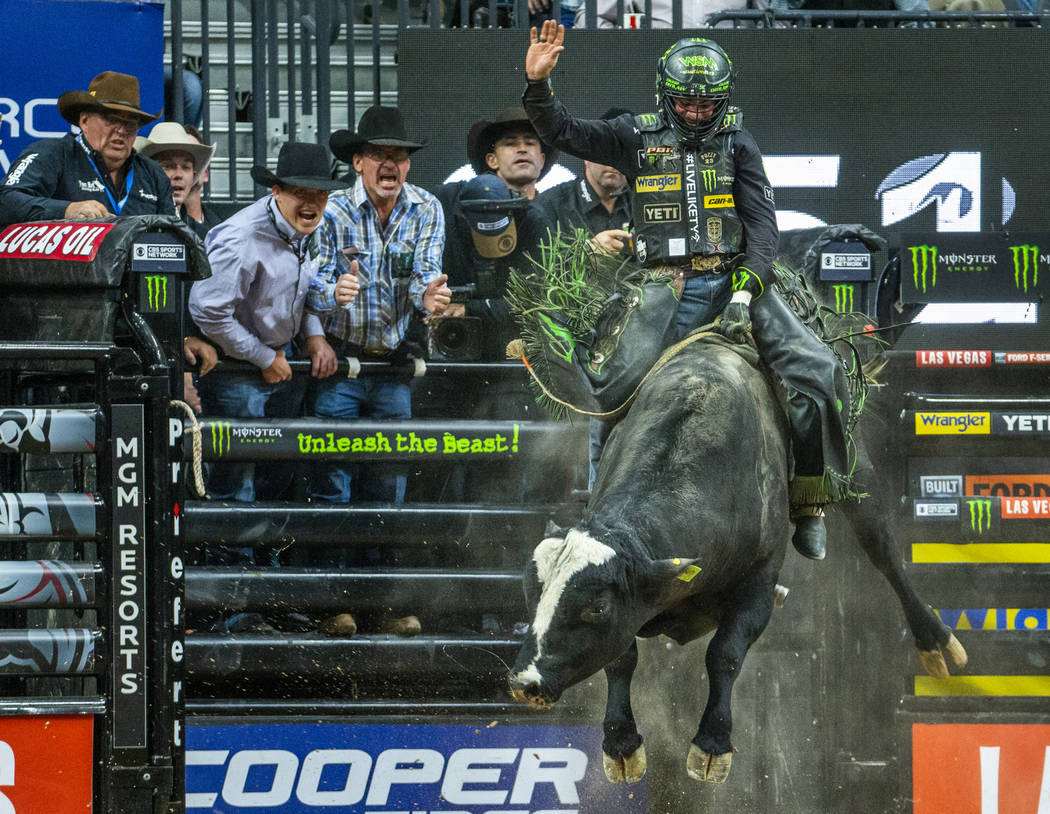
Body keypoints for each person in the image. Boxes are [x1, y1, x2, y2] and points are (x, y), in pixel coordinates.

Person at [523, 24, 856, 560]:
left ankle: (808, 502)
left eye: (708, 104)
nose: (698, 112)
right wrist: (538, 86)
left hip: (736, 281)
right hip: (660, 287)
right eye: (687, 103)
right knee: (609, 387)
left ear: (724, 99)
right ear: (665, 95)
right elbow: (561, 130)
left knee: (817, 370)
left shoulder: (740, 142)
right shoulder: (633, 133)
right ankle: (596, 506)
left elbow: (763, 228)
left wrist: (747, 287)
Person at [188, 142, 343, 632]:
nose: (311, 202)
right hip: (242, 372)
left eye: (318, 192)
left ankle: (266, 596)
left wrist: (313, 333)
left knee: (276, 480)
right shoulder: (240, 237)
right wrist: (263, 355)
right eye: (299, 191)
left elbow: (310, 288)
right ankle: (229, 604)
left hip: (278, 366)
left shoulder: (310, 229)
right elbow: (207, 310)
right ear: (275, 190)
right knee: (235, 484)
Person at [307, 106, 450, 505]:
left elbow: (426, 270)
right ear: (358, 162)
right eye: (379, 154)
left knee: (390, 483)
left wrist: (428, 296)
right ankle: (333, 567)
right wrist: (333, 294)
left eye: (399, 156)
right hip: (339, 362)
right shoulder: (332, 209)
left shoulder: (427, 208)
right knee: (332, 481)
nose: (390, 163)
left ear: (407, 166)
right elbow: (310, 283)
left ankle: (382, 566)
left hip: (393, 365)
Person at [533, 107, 635, 486]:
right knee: (551, 459)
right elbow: (532, 281)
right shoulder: (548, 206)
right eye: (605, 151)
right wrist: (585, 254)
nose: (613, 162)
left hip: (636, 354)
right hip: (568, 354)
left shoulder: (651, 206)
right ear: (585, 155)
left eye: (622, 152)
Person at [0, 71, 175, 227]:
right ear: (84, 121)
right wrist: (66, 211)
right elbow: (5, 202)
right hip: (63, 264)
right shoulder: (52, 154)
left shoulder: (153, 174)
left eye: (130, 123)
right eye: (112, 120)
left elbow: (173, 233)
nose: (121, 131)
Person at [140, 121, 221, 413]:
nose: (177, 174)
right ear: (147, 170)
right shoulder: (136, 219)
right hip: (149, 361)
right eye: (167, 166)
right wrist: (180, 347)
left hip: (189, 359)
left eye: (186, 167)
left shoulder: (188, 225)